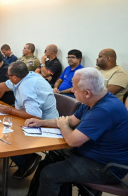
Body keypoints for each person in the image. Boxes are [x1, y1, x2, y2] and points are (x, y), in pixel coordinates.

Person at [25, 67, 128, 195]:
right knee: (52, 156)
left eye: (74, 88)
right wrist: (41, 122)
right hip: (92, 154)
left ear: (87, 93)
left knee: (50, 174)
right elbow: (71, 121)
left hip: (106, 167)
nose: (72, 90)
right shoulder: (93, 100)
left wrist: (63, 126)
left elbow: (73, 141)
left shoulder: (104, 110)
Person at [0, 61, 59, 179]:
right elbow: (7, 85)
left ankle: (26, 161)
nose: (8, 78)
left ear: (15, 76)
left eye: (8, 75)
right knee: (2, 124)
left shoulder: (27, 88)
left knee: (5, 133)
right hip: (31, 115)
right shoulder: (26, 76)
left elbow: (35, 115)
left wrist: (10, 111)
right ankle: (26, 157)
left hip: (45, 124)